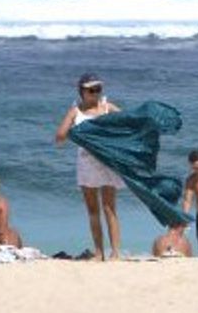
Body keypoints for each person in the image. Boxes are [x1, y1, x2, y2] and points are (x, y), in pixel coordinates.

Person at [55, 73, 124, 261]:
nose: (95, 93)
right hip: (87, 163)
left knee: (110, 208)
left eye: (98, 89)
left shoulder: (107, 107)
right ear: (82, 92)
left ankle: (116, 253)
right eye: (91, 90)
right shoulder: (75, 111)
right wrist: (79, 134)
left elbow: (129, 122)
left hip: (108, 161)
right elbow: (59, 137)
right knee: (93, 210)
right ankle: (99, 252)